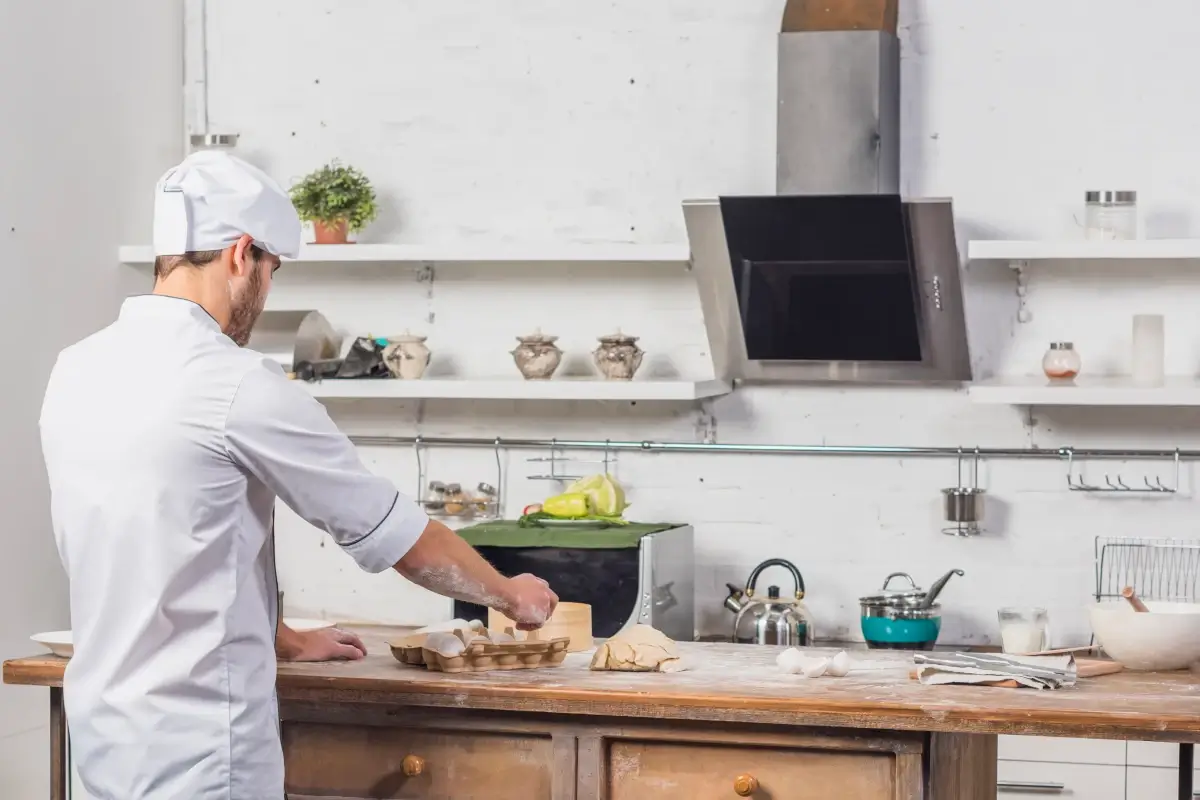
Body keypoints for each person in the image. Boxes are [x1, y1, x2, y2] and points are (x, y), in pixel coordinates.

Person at [38, 150, 558, 799]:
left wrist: (279, 636)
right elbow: (395, 535)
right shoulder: (235, 385)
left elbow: (151, 550)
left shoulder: (76, 370)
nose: (267, 289)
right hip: (203, 760)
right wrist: (512, 595)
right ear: (241, 254)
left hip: (102, 750)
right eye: (272, 269)